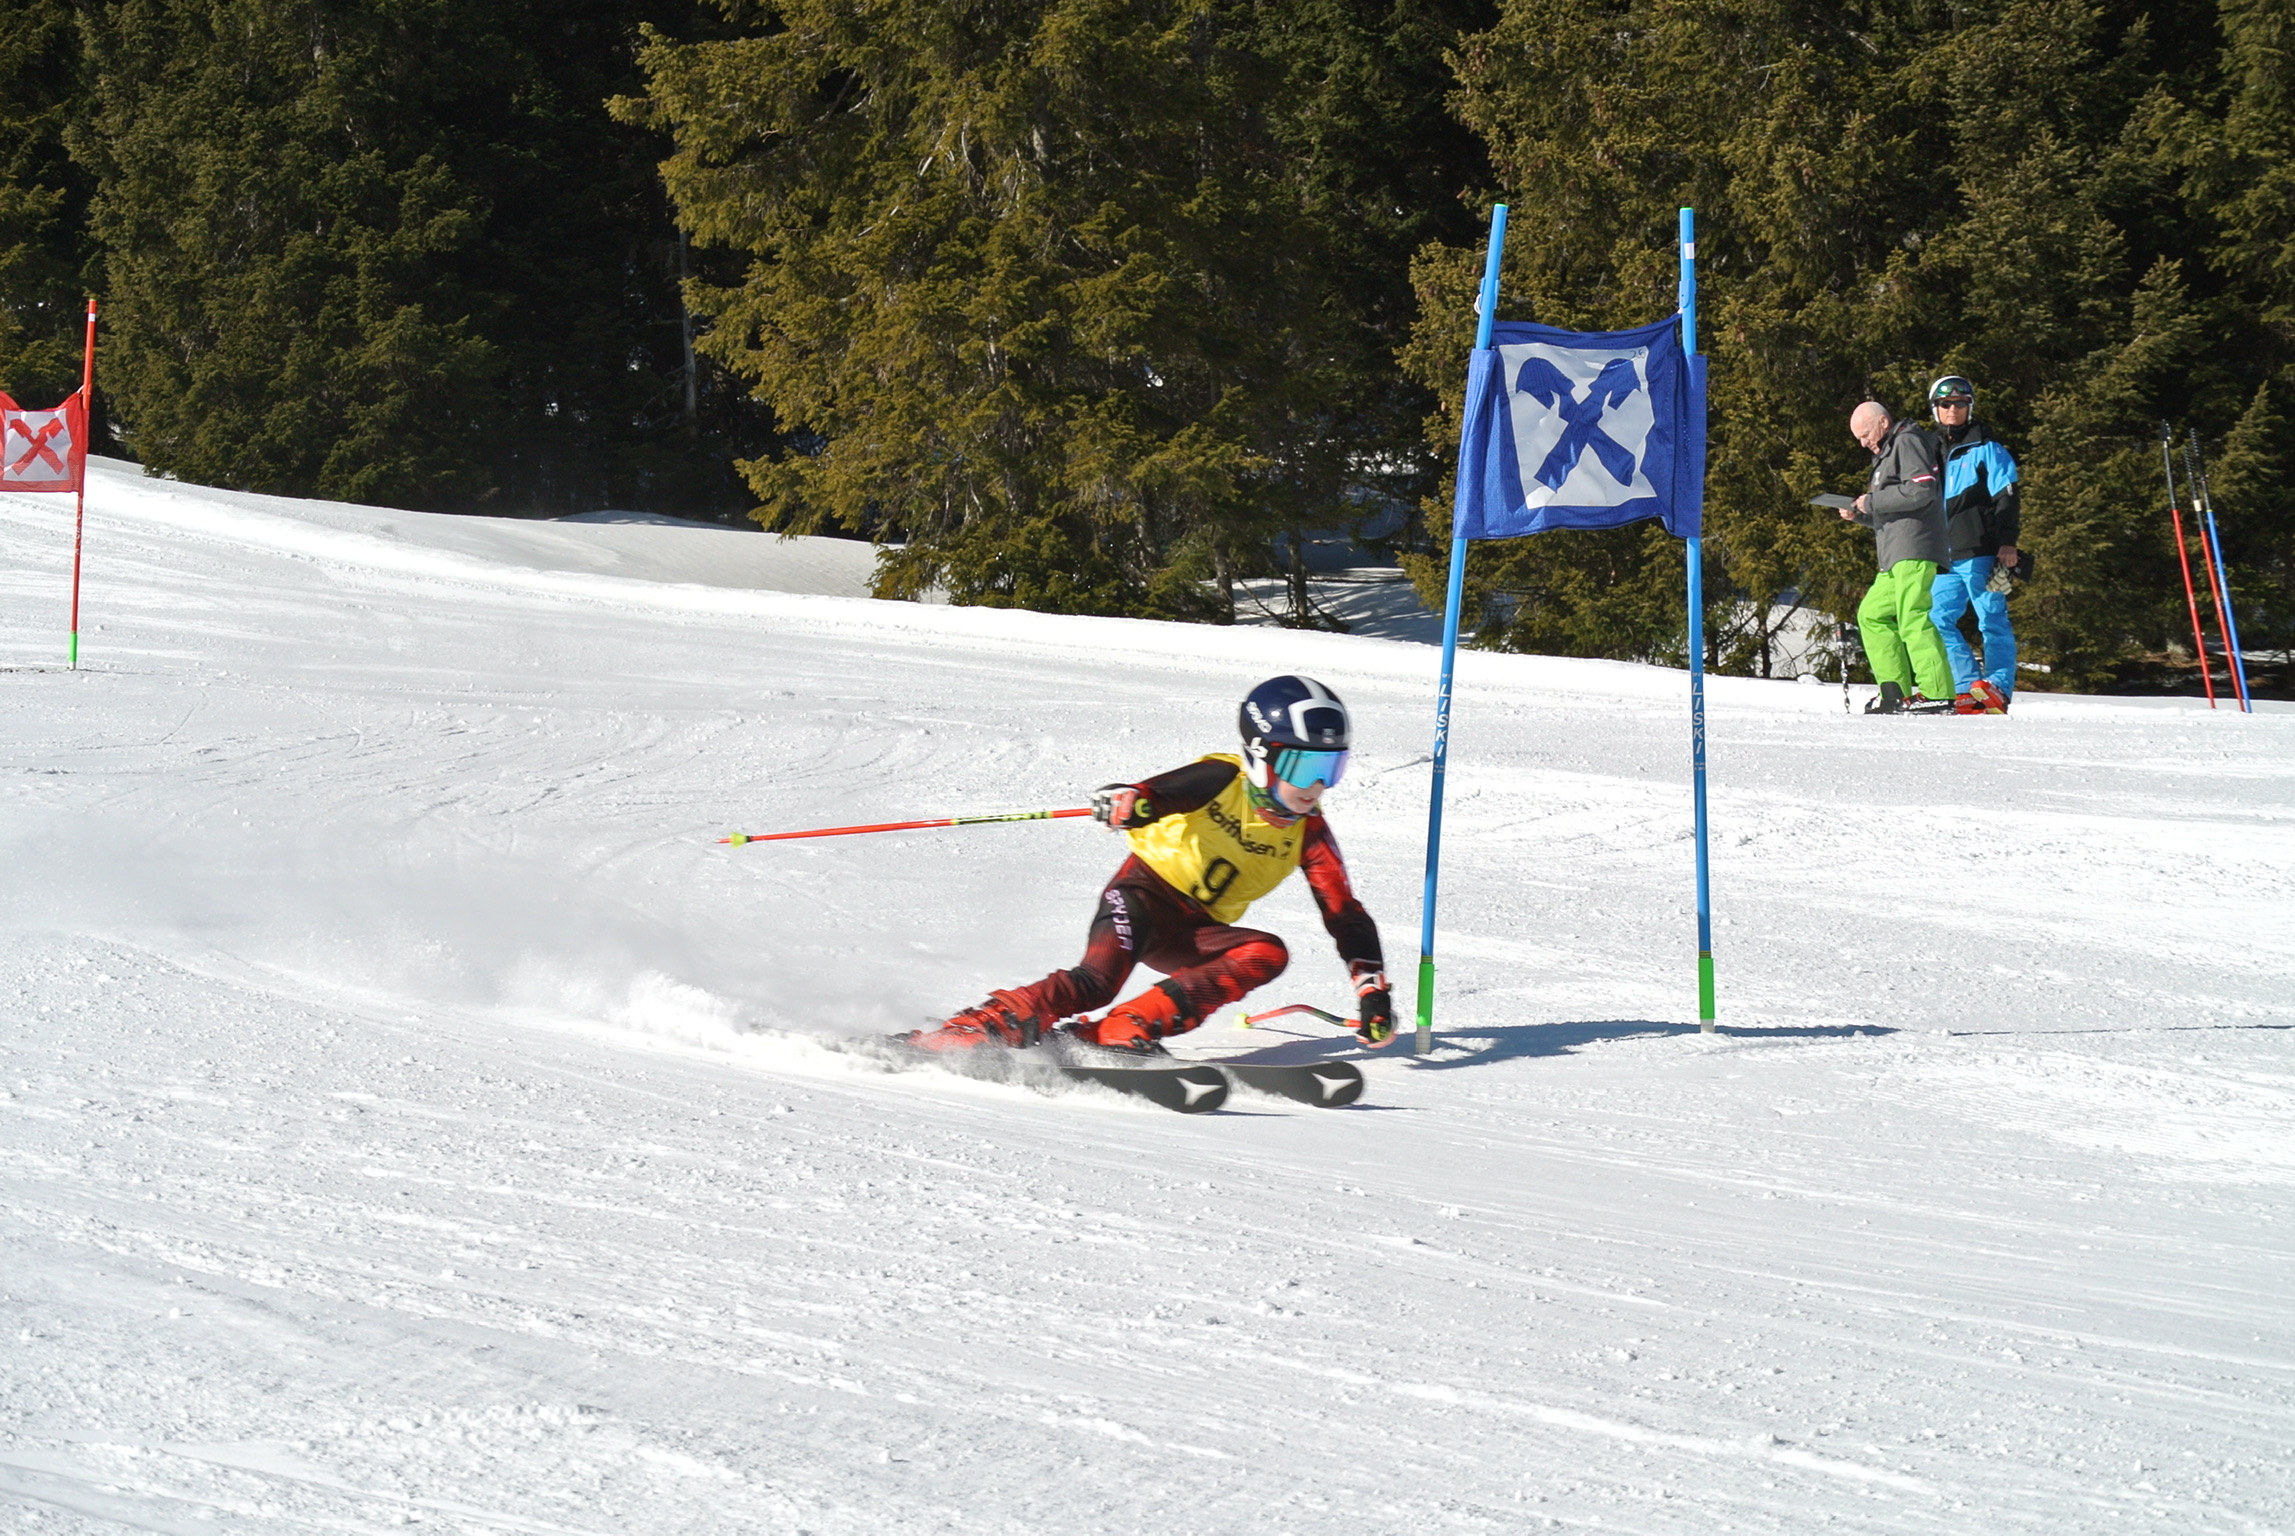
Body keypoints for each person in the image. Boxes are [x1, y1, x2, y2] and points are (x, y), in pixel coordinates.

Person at [908, 675, 1393, 1054]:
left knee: (1266, 952)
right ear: (1262, 757)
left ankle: (1121, 1029)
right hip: (1142, 896)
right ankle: (984, 1025)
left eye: (1331, 769)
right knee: (1096, 982)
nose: (1317, 787)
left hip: (1194, 931)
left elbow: (1344, 914)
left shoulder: (1309, 834)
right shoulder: (1222, 778)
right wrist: (1130, 801)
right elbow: (1162, 794)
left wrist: (1372, 990)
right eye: (1305, 768)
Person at [1840, 400, 1955, 713]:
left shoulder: (1907, 441)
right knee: (1871, 615)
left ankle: (1937, 692)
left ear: (1882, 422)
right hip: (1893, 553)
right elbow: (1893, 508)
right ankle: (1894, 692)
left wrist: (1872, 501)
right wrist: (1860, 514)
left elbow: (1922, 489)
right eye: (1859, 438)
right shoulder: (1888, 452)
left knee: (1912, 616)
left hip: (1915, 547)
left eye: (1865, 434)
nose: (1863, 443)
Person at [1924, 375, 2020, 713]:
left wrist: (2007, 543)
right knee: (1936, 619)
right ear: (1935, 409)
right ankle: (1966, 687)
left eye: (1960, 404)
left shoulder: (1987, 448)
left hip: (1982, 551)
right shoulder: (1927, 450)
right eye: (1945, 404)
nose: (1953, 410)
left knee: (1992, 618)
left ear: (1970, 407)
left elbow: (2007, 497)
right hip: (1942, 555)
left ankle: (1997, 687)